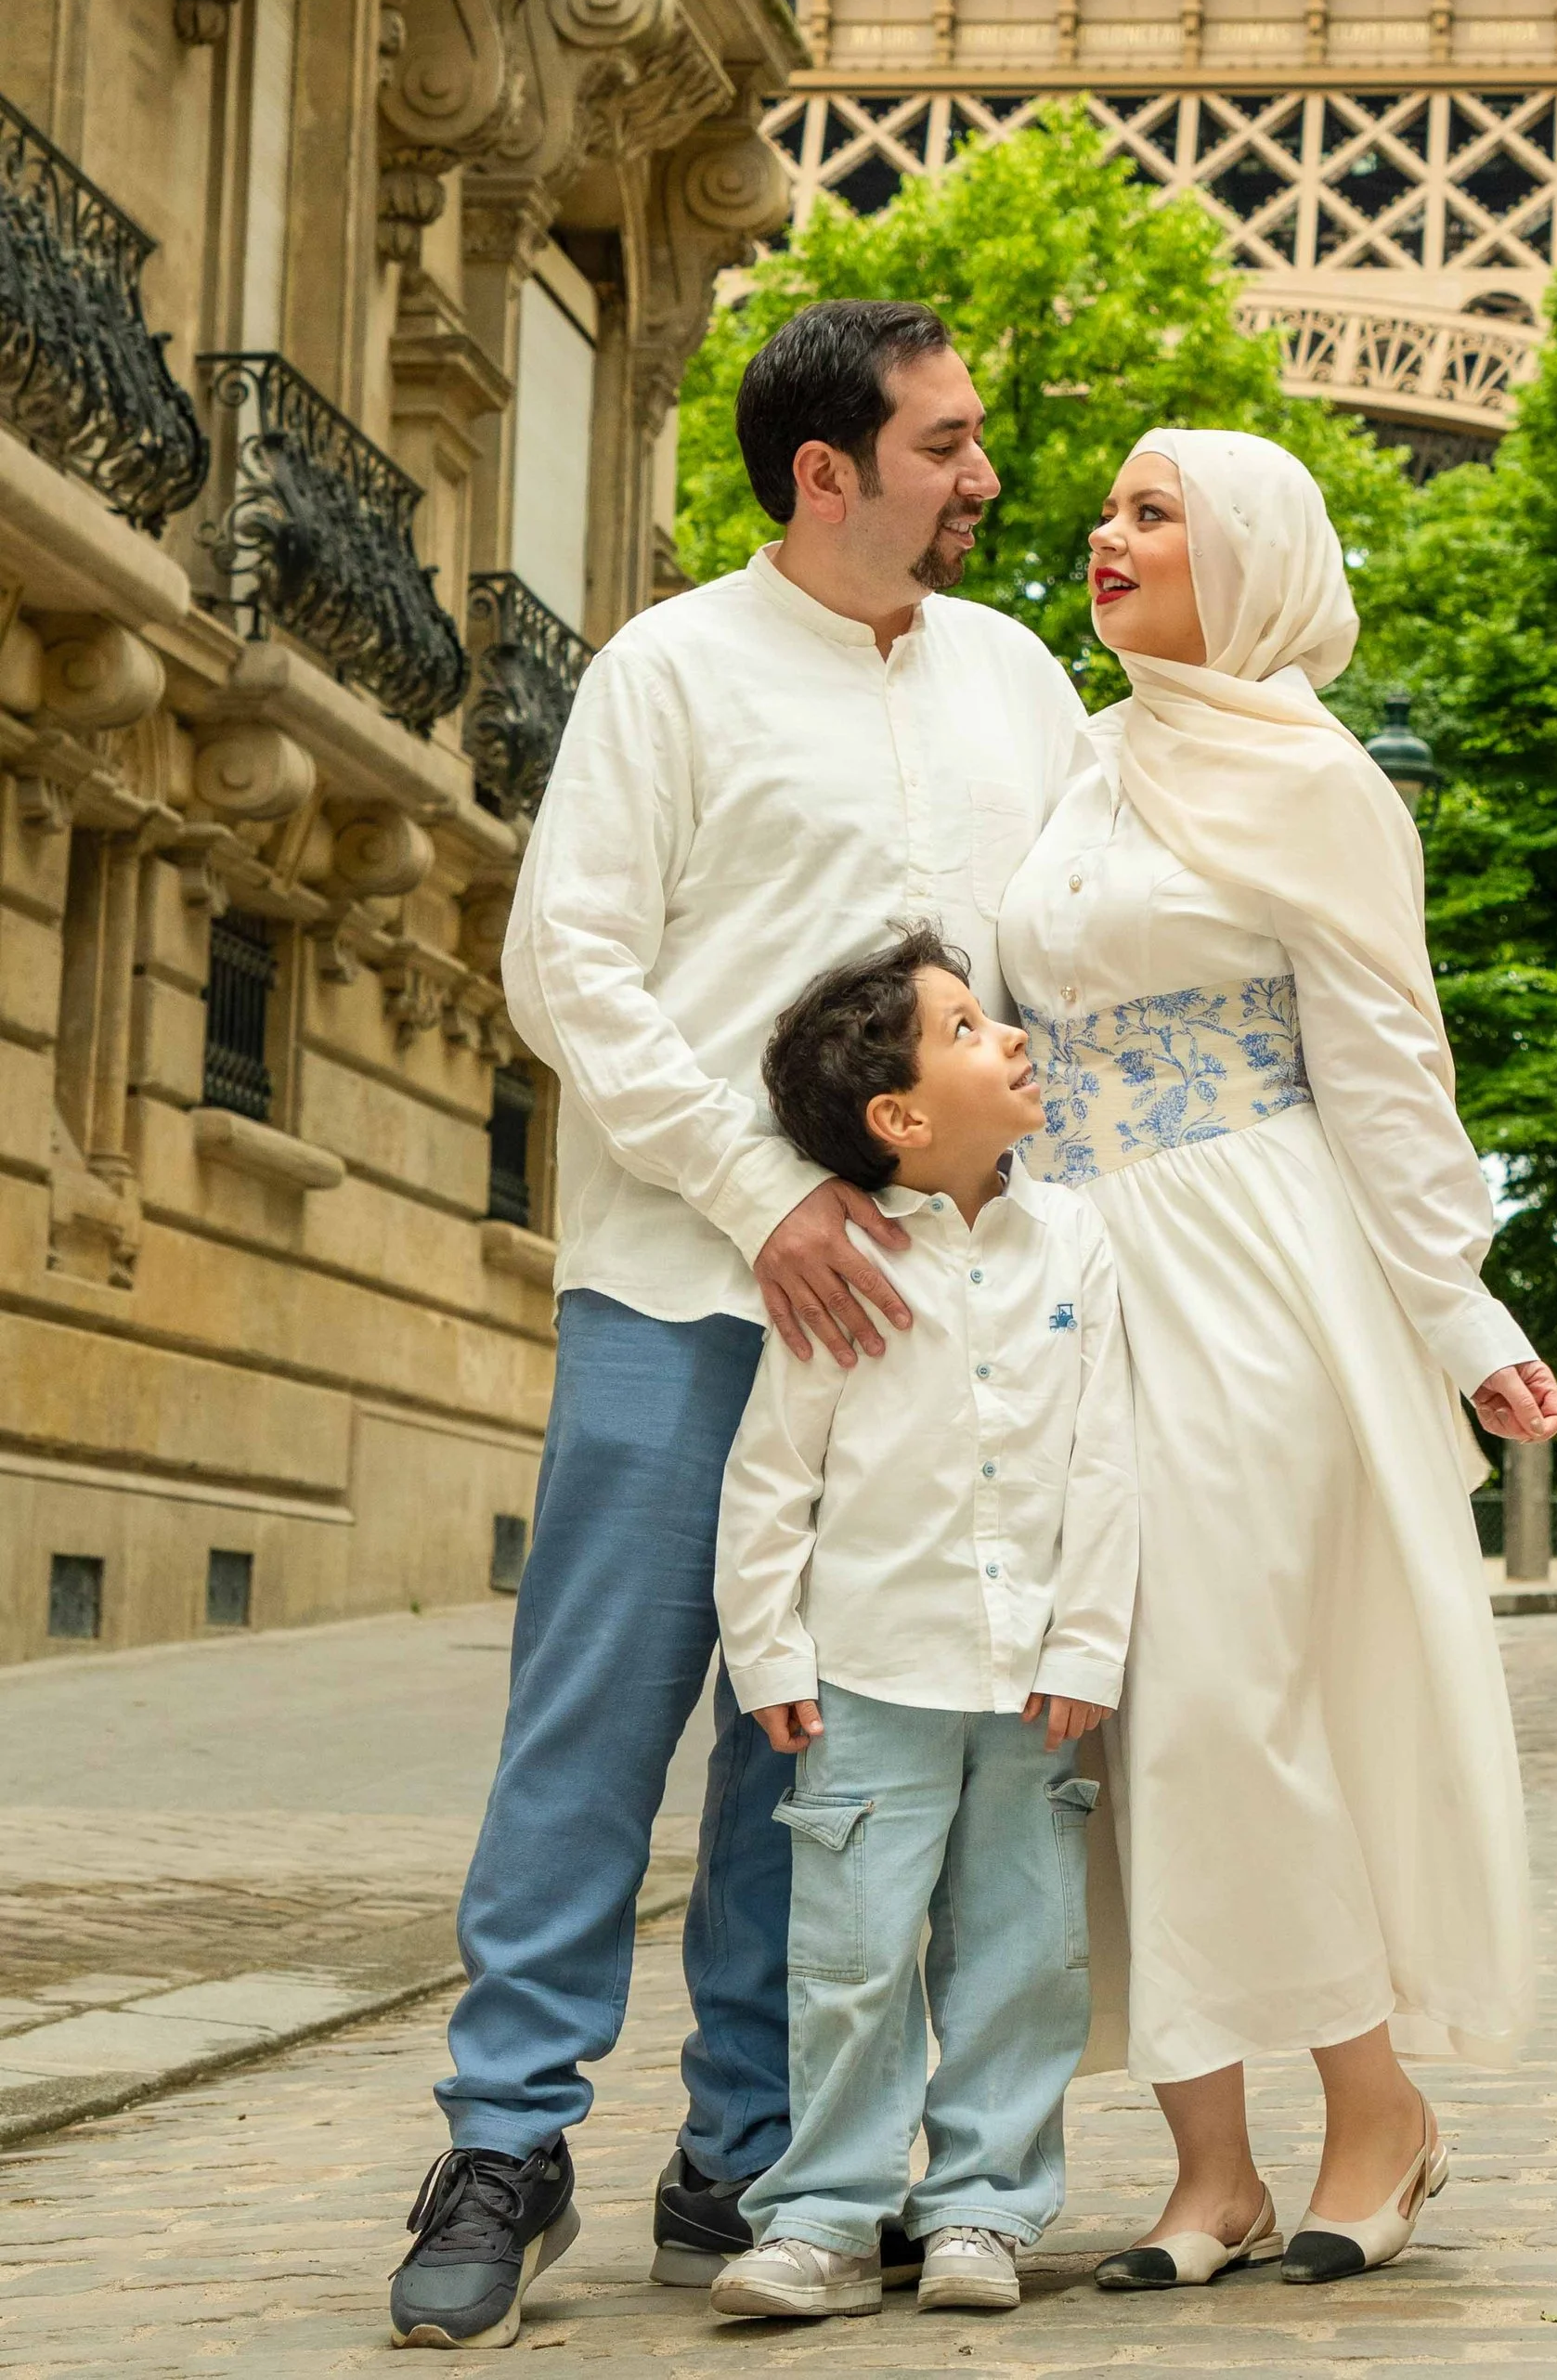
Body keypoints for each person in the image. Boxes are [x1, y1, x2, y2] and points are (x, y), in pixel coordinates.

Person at [388, 303, 1091, 2351]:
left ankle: (757, 2153)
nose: (980, 474)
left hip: (914, 1323)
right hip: (684, 1287)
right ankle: (506, 2142)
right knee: (594, 1728)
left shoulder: (1022, 684)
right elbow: (567, 966)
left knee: (823, 1751)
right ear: (829, 473)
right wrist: (762, 1191)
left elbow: (1057, 985)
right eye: (947, 444)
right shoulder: (670, 669)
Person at [998, 427, 1557, 2292]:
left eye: (1153, 514)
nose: (1108, 534)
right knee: (1122, 1697)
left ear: (1248, 559)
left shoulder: (1319, 783)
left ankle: (1376, 2109)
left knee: (1238, 1685)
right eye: (1108, 507)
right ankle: (1208, 2167)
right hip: (1075, 1269)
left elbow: (1389, 1065)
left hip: (1250, 1260)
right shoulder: (1080, 765)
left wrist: (1458, 1310)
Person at [707, 928, 1136, 2326]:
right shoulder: (845, 1262)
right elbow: (775, 1473)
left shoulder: (1075, 1236)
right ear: (899, 1116)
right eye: (969, 1027)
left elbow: (1105, 1458)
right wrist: (769, 1650)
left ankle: (982, 2208)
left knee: (1023, 1949)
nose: (1009, 1035)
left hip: (1032, 1687)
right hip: (870, 1671)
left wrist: (1088, 1641)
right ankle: (826, 2212)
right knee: (850, 1954)